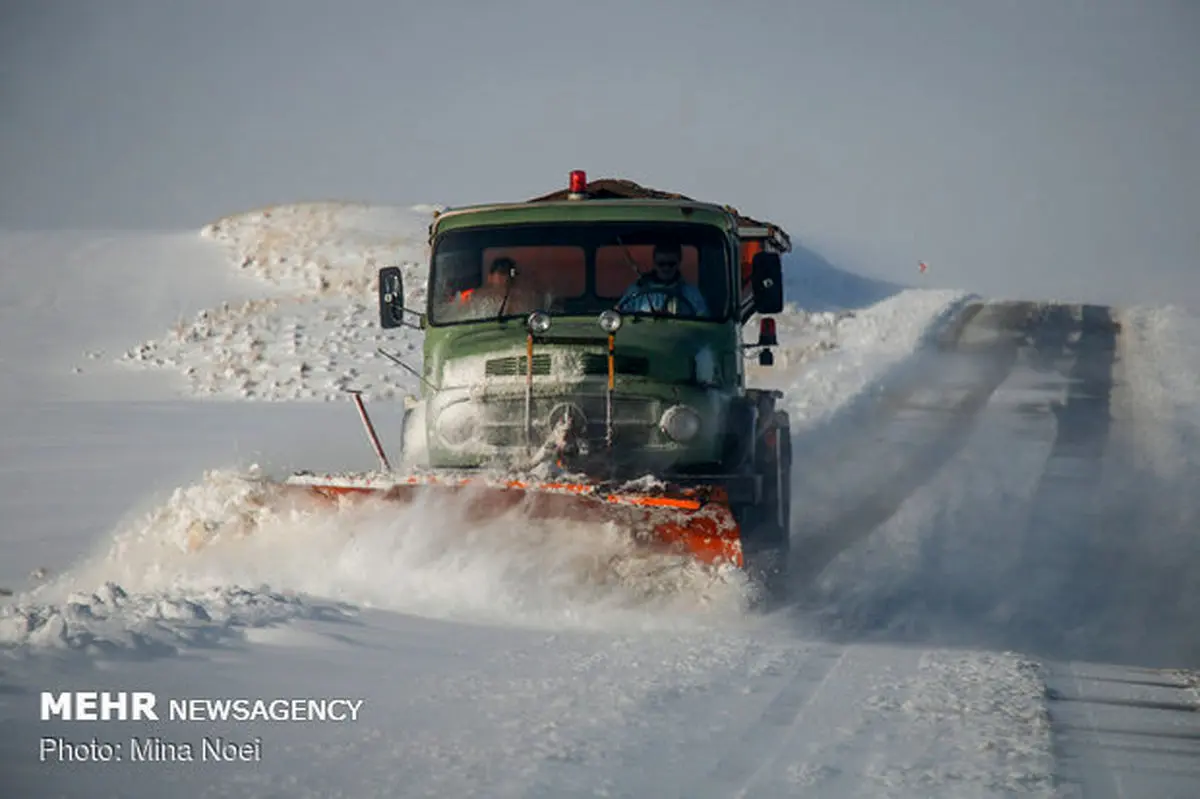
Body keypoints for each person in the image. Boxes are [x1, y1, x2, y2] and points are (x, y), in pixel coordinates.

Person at [617, 242, 709, 317]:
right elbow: (619, 316)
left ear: (679, 263)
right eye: (661, 264)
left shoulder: (691, 293)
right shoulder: (636, 291)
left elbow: (704, 321)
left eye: (671, 264)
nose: (666, 268)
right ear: (654, 263)